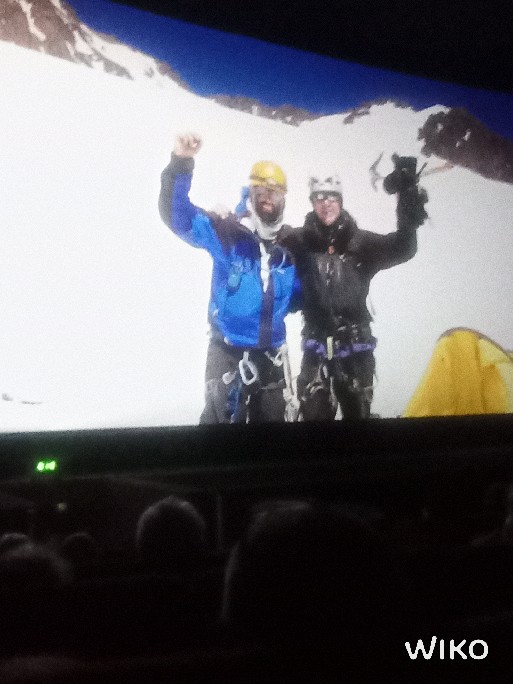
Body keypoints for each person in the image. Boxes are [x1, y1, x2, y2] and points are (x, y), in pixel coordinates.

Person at [158, 133, 298, 424]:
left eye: (274, 193)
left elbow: (304, 294)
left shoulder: (290, 248)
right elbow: (177, 216)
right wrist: (181, 162)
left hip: (271, 355)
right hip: (227, 351)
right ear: (251, 193)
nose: (267, 198)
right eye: (261, 191)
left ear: (283, 199)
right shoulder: (228, 232)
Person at [279, 157, 428, 420]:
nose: (326, 203)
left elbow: (404, 247)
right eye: (319, 197)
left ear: (341, 200)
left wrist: (406, 196)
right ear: (312, 202)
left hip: (356, 350)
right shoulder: (299, 241)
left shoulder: (361, 242)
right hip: (316, 349)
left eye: (332, 197)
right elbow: (264, 234)